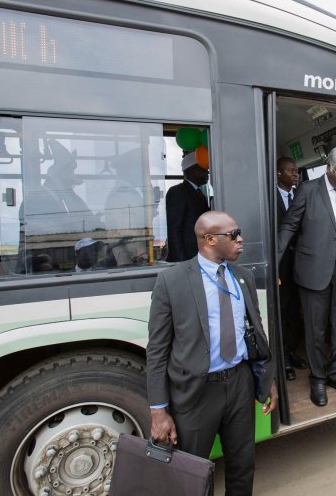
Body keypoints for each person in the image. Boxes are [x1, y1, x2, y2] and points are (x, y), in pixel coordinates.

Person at [148, 211, 277, 495]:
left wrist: (268, 380)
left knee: (243, 466)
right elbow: (157, 352)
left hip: (239, 385)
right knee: (192, 473)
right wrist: (158, 411)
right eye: (233, 234)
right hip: (196, 393)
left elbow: (255, 333)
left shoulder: (243, 276)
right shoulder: (172, 281)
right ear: (209, 240)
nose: (240, 239)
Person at [277, 146, 336, 407]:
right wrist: (275, 263)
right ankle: (317, 378)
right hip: (313, 270)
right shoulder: (307, 190)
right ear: (329, 168)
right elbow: (289, 225)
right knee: (315, 329)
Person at [275, 157, 307, 380]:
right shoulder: (269, 197)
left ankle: (293, 350)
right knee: (283, 310)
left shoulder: (300, 195)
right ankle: (283, 356)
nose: (296, 174)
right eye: (291, 170)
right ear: (279, 173)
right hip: (281, 264)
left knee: (296, 309)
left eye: (297, 170)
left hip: (301, 262)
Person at [165, 151, 210, 262]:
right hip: (187, 258)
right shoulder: (178, 192)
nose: (207, 174)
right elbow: (174, 229)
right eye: (204, 170)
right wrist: (182, 262)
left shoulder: (200, 194)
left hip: (199, 256)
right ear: (193, 170)